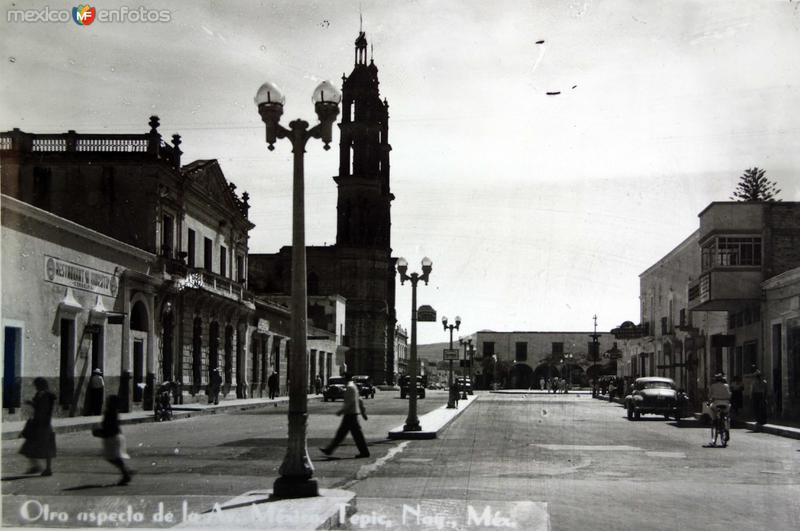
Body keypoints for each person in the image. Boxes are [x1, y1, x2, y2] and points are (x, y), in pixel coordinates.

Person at [320, 374, 369, 458]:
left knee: (351, 435)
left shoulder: (350, 388)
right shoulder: (353, 386)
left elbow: (349, 402)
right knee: (345, 434)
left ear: (345, 379)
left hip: (350, 414)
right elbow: (359, 400)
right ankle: (329, 449)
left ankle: (365, 452)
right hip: (352, 413)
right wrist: (363, 412)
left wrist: (341, 411)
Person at [92, 395, 134, 485]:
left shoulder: (110, 413)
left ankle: (126, 473)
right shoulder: (114, 412)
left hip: (112, 438)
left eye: (108, 401)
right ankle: (126, 472)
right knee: (113, 457)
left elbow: (109, 428)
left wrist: (99, 432)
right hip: (115, 437)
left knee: (112, 457)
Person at [19, 377, 56, 476]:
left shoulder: (46, 395)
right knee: (31, 446)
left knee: (44, 447)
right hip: (41, 424)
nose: (36, 387)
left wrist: (33, 405)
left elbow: (43, 410)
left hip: (43, 424)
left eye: (37, 385)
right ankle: (38, 467)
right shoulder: (42, 394)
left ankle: (45, 468)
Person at [708, 373, 731, 445]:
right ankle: (726, 426)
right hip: (726, 404)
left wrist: (710, 400)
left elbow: (709, 396)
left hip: (716, 403)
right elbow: (729, 395)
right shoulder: (726, 386)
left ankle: (714, 420)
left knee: (710, 408)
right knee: (726, 415)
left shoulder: (712, 386)